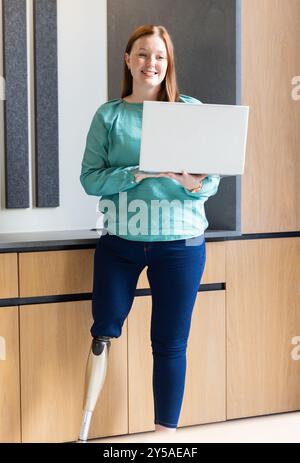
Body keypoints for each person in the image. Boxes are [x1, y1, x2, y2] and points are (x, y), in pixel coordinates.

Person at [79, 24, 221, 440]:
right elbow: (90, 181)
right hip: (121, 243)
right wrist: (137, 172)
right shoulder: (109, 115)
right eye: (142, 54)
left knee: (170, 343)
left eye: (159, 55)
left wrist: (187, 179)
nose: (151, 63)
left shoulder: (191, 109)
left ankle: (164, 437)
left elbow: (210, 184)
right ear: (128, 59)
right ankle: (84, 427)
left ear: (168, 62)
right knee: (103, 330)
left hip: (180, 244)